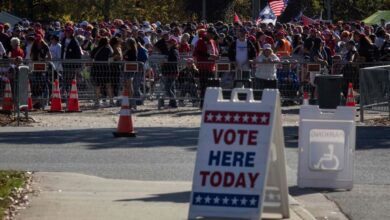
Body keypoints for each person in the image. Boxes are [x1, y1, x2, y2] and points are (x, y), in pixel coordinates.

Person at [193, 27, 219, 108]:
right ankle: (202, 104)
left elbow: (216, 51)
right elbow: (198, 53)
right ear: (208, 33)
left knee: (210, 87)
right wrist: (210, 56)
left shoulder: (213, 41)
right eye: (212, 34)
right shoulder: (201, 41)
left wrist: (217, 55)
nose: (212, 36)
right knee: (204, 86)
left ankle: (209, 103)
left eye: (213, 35)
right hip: (203, 67)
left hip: (211, 67)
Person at [90, 37, 113, 107]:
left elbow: (91, 57)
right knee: (108, 85)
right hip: (105, 69)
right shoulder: (108, 49)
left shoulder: (95, 49)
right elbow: (111, 55)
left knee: (97, 86)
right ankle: (111, 101)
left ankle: (97, 101)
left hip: (96, 68)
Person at [30, 33, 52, 109]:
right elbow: (31, 57)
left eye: (39, 40)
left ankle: (45, 102)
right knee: (36, 85)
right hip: (36, 68)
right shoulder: (34, 46)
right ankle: (38, 102)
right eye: (36, 40)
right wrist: (35, 61)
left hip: (44, 68)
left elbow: (50, 57)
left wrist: (44, 60)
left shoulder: (45, 46)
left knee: (45, 84)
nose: (38, 42)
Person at [61, 26, 82, 94]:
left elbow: (78, 54)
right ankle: (66, 92)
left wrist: (77, 65)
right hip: (64, 62)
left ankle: (72, 93)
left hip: (71, 64)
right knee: (65, 78)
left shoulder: (74, 41)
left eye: (68, 31)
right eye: (66, 31)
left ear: (71, 32)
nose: (67, 33)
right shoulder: (63, 40)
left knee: (71, 79)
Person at [160, 38, 179, 108]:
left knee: (167, 88)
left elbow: (174, 61)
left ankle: (174, 102)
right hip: (170, 72)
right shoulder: (171, 50)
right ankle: (172, 103)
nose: (167, 44)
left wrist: (165, 63)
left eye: (169, 43)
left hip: (171, 72)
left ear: (173, 43)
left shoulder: (173, 51)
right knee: (172, 88)